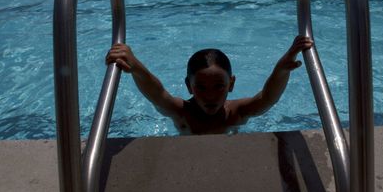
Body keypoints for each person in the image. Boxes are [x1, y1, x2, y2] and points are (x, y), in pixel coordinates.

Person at [106, 35, 313, 134]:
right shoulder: (182, 112)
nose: (210, 96)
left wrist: (282, 69)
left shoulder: (237, 112)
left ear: (231, 84)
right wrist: (135, 67)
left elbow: (268, 97)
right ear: (189, 86)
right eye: (201, 87)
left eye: (219, 86)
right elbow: (157, 93)